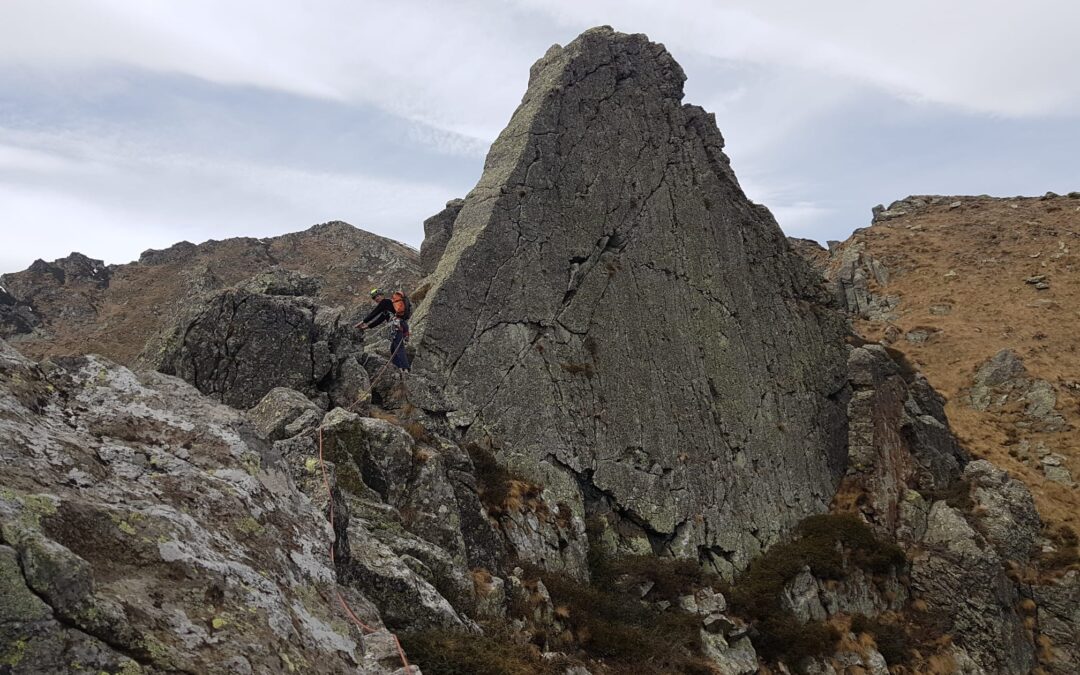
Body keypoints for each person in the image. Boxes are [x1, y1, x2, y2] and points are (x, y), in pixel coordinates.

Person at [355, 288, 411, 372]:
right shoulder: (387, 308)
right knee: (393, 348)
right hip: (402, 325)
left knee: (398, 347)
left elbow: (375, 313)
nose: (377, 298)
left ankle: (405, 368)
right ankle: (398, 368)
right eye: (375, 298)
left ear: (382, 295)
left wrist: (362, 322)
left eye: (378, 296)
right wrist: (366, 327)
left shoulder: (385, 302)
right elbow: (380, 319)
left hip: (397, 325)